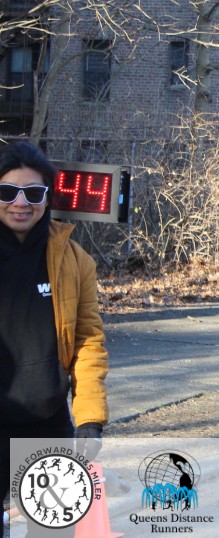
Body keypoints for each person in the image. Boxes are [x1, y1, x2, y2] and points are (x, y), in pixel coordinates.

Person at [1, 141, 109, 532]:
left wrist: (90, 418)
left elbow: (88, 341)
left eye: (33, 193)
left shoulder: (74, 260)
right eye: (8, 192)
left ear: (47, 198)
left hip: (48, 428)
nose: (20, 203)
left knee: (52, 530)